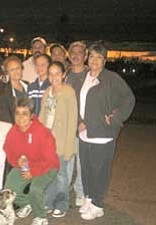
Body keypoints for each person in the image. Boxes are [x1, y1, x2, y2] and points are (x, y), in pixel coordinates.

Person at [78, 43, 135, 220]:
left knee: (99, 170)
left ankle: (98, 204)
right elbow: (79, 103)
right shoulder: (84, 77)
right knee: (86, 168)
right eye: (92, 56)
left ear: (104, 60)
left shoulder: (112, 78)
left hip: (103, 134)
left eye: (99, 57)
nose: (94, 60)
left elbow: (129, 99)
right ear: (87, 57)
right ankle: (89, 198)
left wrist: (115, 117)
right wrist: (79, 122)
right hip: (84, 133)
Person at [4, 97, 59, 225]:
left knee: (35, 188)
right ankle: (28, 203)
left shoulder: (42, 132)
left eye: (24, 114)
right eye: (17, 113)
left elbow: (49, 159)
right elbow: (8, 149)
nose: (20, 117)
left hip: (48, 166)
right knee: (10, 188)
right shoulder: (13, 131)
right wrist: (17, 161)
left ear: (31, 115)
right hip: (26, 165)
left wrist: (33, 172)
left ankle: (41, 217)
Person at [39, 61, 78, 218]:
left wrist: (69, 148)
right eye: (51, 73)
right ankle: (49, 202)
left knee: (61, 175)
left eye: (57, 73)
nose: (54, 76)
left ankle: (61, 204)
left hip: (61, 142)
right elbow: (42, 114)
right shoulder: (47, 91)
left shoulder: (68, 92)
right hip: (47, 141)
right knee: (49, 174)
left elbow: (72, 120)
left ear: (63, 75)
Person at [65, 41, 88, 207]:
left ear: (85, 56)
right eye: (73, 51)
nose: (76, 55)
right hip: (67, 127)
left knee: (81, 162)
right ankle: (63, 189)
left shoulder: (92, 74)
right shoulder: (64, 74)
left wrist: (85, 121)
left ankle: (80, 191)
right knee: (67, 161)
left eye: (80, 52)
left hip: (83, 127)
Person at [0, 55, 28, 124]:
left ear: (22, 69)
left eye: (18, 68)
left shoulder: (30, 86)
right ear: (7, 73)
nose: (16, 72)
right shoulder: (4, 93)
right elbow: (5, 118)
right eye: (12, 70)